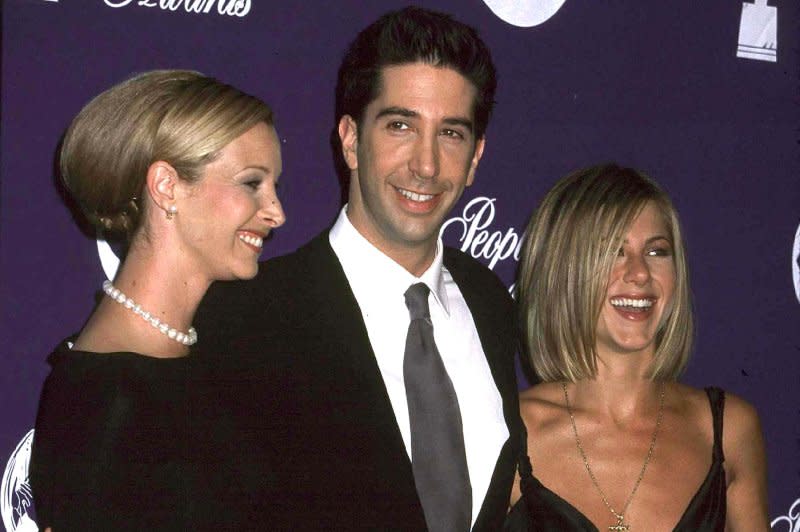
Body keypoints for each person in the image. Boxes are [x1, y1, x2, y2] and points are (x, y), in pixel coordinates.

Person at [196, 7, 522, 531]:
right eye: (400, 125)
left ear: (476, 156)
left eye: (452, 134)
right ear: (350, 140)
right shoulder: (244, 320)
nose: (427, 164)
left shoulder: (492, 305)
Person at [30, 70, 286, 530]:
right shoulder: (108, 399)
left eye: (274, 186)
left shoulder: (204, 359)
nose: (277, 213)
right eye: (252, 183)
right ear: (167, 187)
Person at [507, 164, 768, 531]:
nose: (640, 273)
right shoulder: (506, 431)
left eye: (657, 252)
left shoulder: (727, 431)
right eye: (614, 251)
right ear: (566, 270)